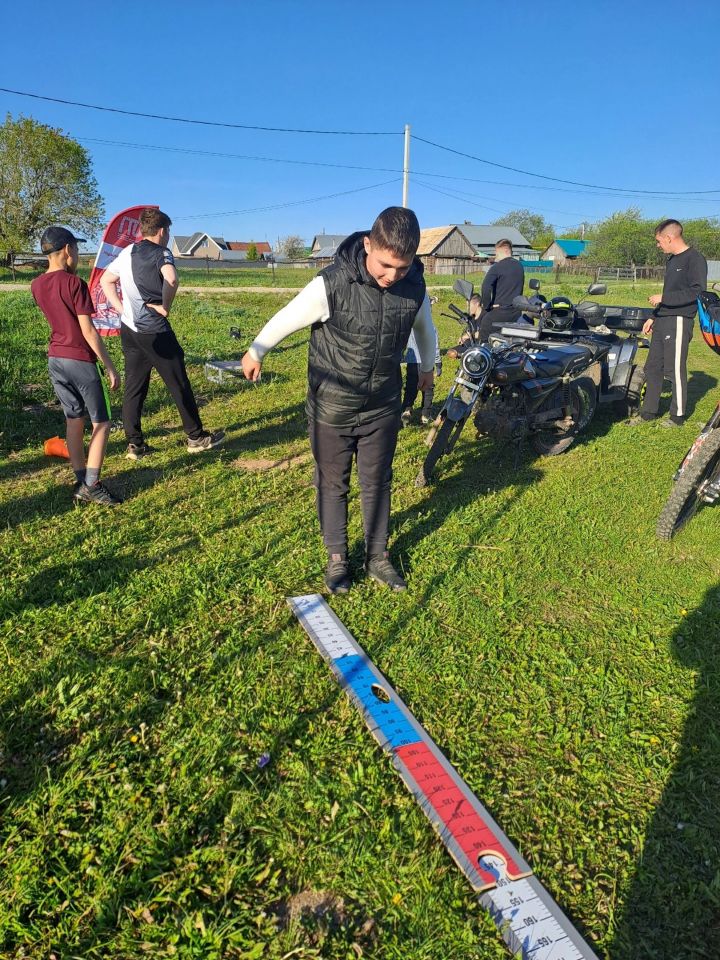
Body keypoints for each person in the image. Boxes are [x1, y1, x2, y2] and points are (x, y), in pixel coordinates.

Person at [241, 207, 436, 594]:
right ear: (367, 245)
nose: (391, 276)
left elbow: (425, 329)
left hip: (382, 403)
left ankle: (378, 557)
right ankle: (337, 560)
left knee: (378, 480)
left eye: (402, 267)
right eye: (385, 266)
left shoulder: (414, 286)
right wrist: (256, 350)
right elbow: (287, 316)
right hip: (332, 405)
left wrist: (427, 367)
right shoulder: (331, 283)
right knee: (333, 483)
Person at [100, 208, 224, 458]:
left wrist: (122, 309)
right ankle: (196, 437)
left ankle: (135, 444)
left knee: (134, 387)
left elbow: (106, 280)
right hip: (154, 330)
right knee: (178, 382)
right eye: (168, 232)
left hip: (130, 329)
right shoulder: (162, 252)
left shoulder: (127, 252)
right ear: (163, 231)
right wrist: (165, 306)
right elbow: (172, 279)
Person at [31, 226, 122, 506]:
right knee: (102, 422)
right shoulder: (74, 284)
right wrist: (109, 366)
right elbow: (89, 331)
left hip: (55, 359)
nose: (78, 256)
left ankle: (81, 477)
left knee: (73, 419)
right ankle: (92, 485)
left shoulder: (36, 285)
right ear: (68, 250)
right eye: (78, 250)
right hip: (80, 360)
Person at [629, 219, 708, 428]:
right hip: (663, 319)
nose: (658, 245)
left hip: (680, 320)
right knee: (653, 367)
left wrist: (664, 298)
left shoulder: (695, 259)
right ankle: (648, 412)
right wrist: (653, 317)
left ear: (669, 237)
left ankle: (677, 417)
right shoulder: (672, 261)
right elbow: (670, 293)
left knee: (674, 369)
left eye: (658, 241)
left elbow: (697, 292)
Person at [476, 238, 525, 342]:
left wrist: (487, 306)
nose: (496, 256)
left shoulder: (497, 267)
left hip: (501, 311)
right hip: (516, 312)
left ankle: (482, 354)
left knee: (484, 332)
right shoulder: (519, 266)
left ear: (506, 251)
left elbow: (485, 287)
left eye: (497, 253)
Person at [401, 322, 441, 426]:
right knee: (428, 388)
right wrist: (438, 362)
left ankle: (407, 409)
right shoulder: (431, 326)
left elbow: (403, 341)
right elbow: (435, 345)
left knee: (411, 386)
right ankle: (425, 415)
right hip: (427, 360)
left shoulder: (410, 325)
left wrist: (401, 357)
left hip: (412, 360)